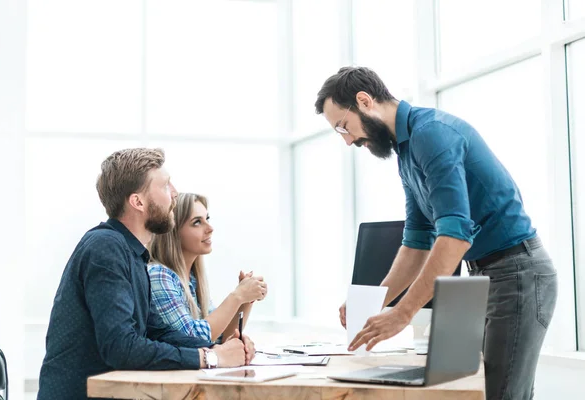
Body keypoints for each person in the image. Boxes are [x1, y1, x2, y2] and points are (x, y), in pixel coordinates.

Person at [315, 67, 558, 400]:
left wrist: (403, 313)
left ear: (364, 101)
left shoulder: (431, 134)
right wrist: (374, 301)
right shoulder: (407, 150)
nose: (347, 140)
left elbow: (456, 235)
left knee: (501, 394)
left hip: (517, 272)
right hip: (485, 275)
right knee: (472, 389)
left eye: (343, 126)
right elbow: (417, 240)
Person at [37, 148, 254, 400]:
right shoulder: (106, 248)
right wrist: (211, 358)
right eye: (165, 186)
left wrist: (221, 348)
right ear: (138, 202)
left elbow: (156, 331)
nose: (174, 193)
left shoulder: (132, 254)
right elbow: (121, 347)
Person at [148, 192, 267, 343]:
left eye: (207, 219)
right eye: (197, 222)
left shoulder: (192, 280)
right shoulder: (158, 275)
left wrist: (247, 299)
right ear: (173, 232)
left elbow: (221, 338)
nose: (210, 228)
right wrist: (237, 296)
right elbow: (191, 339)